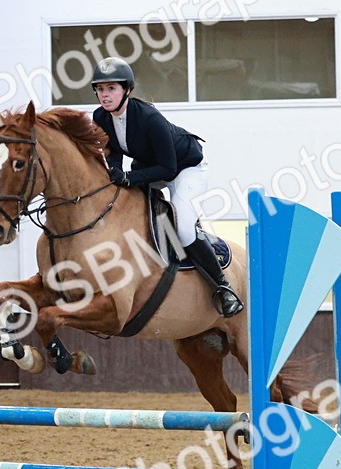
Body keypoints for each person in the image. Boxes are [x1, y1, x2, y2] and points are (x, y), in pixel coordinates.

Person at [90, 57, 244, 317]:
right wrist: (114, 174)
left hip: (186, 168)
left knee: (183, 227)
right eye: (101, 89)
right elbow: (113, 152)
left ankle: (223, 288)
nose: (105, 96)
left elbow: (168, 169)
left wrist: (128, 177)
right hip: (151, 165)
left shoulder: (150, 118)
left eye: (112, 89)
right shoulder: (100, 117)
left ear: (127, 89)